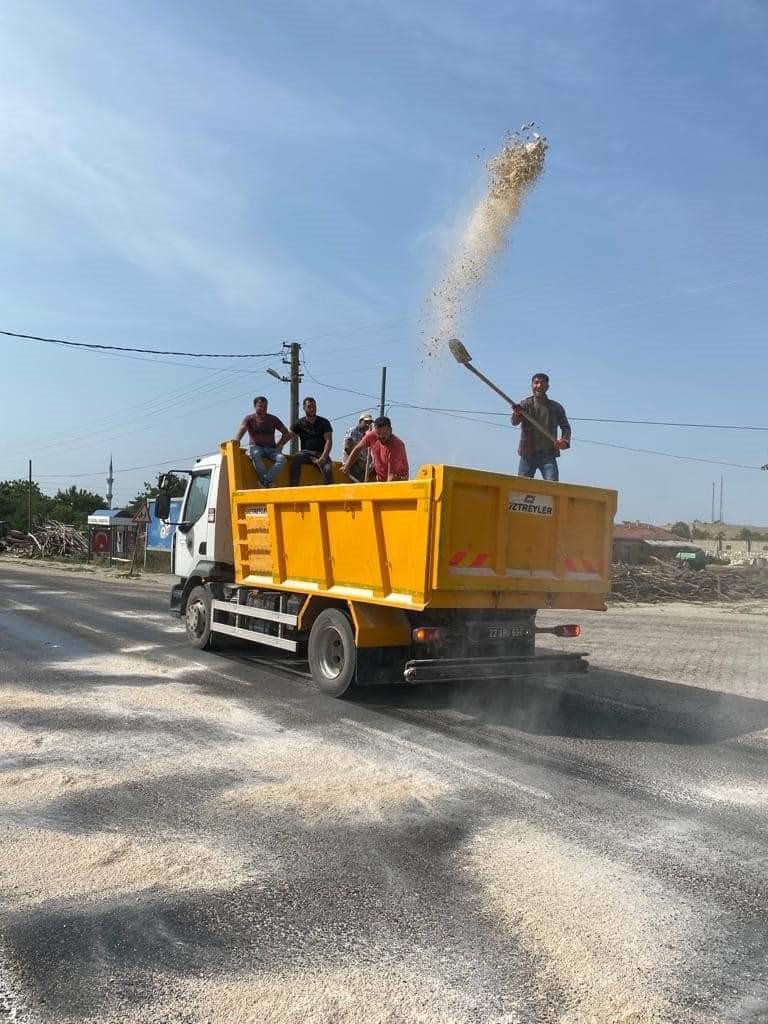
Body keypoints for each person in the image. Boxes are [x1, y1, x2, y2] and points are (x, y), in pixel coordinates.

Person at [511, 372, 571, 481]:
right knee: (521, 487)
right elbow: (514, 422)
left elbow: (566, 427)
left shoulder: (556, 407)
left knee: (553, 487)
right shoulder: (524, 404)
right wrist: (517, 413)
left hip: (548, 455)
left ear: (547, 387)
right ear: (531, 385)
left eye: (542, 383)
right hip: (527, 454)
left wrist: (564, 442)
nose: (538, 386)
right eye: (536, 383)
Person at [234, 396, 293, 488]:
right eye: (260, 406)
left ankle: (266, 481)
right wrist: (236, 441)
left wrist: (279, 445)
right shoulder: (249, 418)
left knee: (282, 459)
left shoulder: (273, 419)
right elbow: (242, 429)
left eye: (265, 406)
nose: (263, 408)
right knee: (256, 454)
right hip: (256, 447)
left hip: (271, 449)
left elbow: (286, 433)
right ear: (255, 406)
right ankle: (267, 482)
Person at [342, 415, 409, 482]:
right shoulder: (371, 436)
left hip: (398, 481)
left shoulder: (397, 446)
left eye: (385, 433)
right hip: (381, 479)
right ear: (375, 430)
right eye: (378, 433)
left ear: (390, 430)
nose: (381, 436)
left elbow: (391, 476)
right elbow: (357, 449)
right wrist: (347, 465)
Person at [290, 396, 334, 485]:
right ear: (304, 408)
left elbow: (329, 441)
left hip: (320, 454)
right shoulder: (299, 423)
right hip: (306, 453)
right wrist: (279, 446)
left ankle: (329, 495)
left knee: (328, 469)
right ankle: (294, 489)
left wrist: (323, 458)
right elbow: (288, 436)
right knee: (296, 459)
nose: (312, 408)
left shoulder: (324, 422)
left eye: (314, 406)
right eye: (309, 406)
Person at [343, 412, 374, 482]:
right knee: (360, 482)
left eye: (370, 423)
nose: (368, 425)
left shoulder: (366, 435)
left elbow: (368, 453)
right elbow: (347, 448)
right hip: (352, 464)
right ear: (360, 421)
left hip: (363, 465)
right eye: (366, 422)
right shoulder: (353, 431)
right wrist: (359, 462)